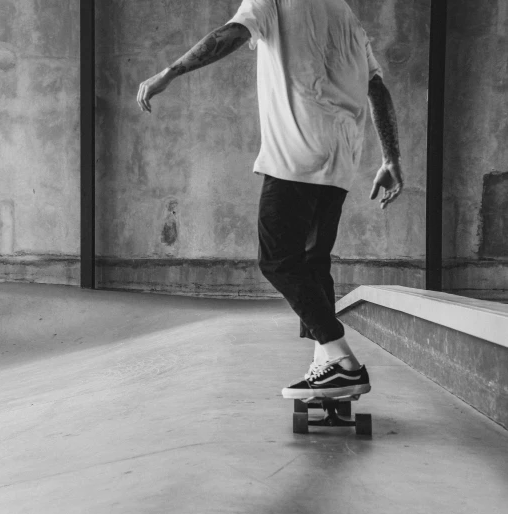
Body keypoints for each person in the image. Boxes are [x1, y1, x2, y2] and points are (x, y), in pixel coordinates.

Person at [136, 0, 403, 399]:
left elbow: (231, 34)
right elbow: (377, 87)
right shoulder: (344, 13)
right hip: (343, 157)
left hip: (297, 155)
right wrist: (391, 157)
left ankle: (343, 361)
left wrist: (169, 72)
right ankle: (326, 363)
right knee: (314, 263)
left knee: (277, 258)